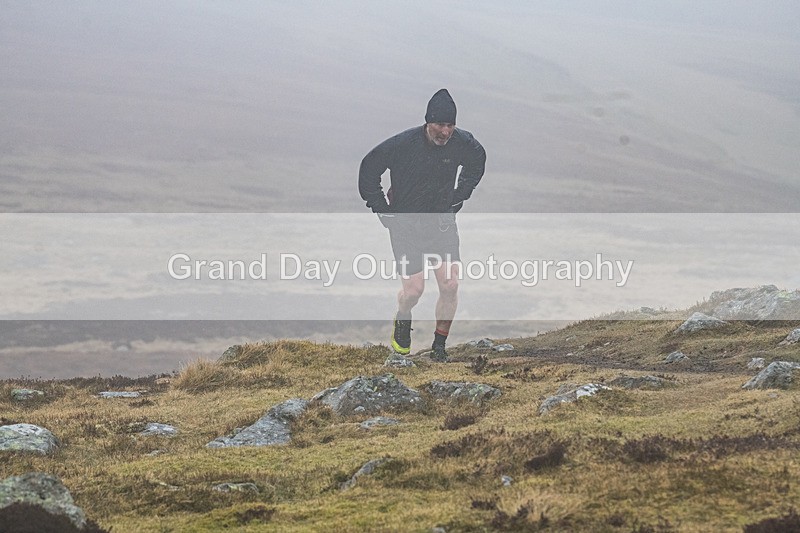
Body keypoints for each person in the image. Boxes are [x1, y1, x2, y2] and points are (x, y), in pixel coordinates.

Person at [358, 88, 486, 361]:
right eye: (440, 124)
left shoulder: (463, 143)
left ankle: (439, 348)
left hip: (441, 223)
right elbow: (369, 168)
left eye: (451, 125)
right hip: (406, 228)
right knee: (414, 290)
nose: (446, 131)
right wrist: (382, 210)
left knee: (450, 285)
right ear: (428, 121)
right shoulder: (402, 145)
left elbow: (477, 161)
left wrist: (460, 195)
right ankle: (403, 315)